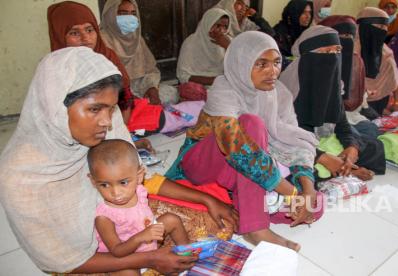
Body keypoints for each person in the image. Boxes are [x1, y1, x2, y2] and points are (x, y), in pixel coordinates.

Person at [0, 47, 238, 274]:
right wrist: (150, 258)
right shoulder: (20, 176)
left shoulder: (105, 129)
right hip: (84, 262)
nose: (107, 121)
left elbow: (143, 180)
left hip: (127, 223)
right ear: (55, 106)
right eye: (95, 109)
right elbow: (60, 260)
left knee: (214, 223)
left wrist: (207, 200)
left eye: (111, 108)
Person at [167, 31, 325, 252]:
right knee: (251, 124)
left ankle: (245, 206)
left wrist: (306, 191)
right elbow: (236, 146)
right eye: (261, 64)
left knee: (315, 204)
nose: (272, 71)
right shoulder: (224, 88)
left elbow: (294, 140)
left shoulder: (280, 93)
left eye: (276, 62)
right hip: (202, 164)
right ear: (241, 63)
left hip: (243, 168)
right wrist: (289, 192)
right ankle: (255, 228)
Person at [48, 1, 203, 139]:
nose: (85, 37)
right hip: (98, 122)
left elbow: (131, 89)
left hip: (127, 105)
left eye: (89, 30)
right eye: (74, 33)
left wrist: (151, 89)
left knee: (168, 96)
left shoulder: (111, 51)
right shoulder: (54, 70)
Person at [280, 25, 385, 180]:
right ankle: (346, 169)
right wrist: (323, 157)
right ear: (308, 54)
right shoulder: (286, 86)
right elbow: (282, 137)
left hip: (322, 140)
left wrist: (352, 148)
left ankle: (343, 167)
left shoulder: (332, 82)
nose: (333, 57)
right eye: (326, 51)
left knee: (375, 147)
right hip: (296, 146)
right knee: (297, 168)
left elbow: (342, 125)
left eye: (337, 51)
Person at [89, 139, 189, 276]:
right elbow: (117, 251)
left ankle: (186, 257)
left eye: (123, 182)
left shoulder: (139, 191)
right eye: (105, 185)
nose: (115, 193)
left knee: (171, 219)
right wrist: (140, 237)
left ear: (139, 176)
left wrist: (148, 234)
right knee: (127, 273)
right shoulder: (104, 217)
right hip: (127, 257)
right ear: (93, 182)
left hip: (149, 241)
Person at [100, 0, 177, 105]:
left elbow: (150, 69)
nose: (130, 18)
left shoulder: (137, 38)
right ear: (111, 14)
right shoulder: (101, 41)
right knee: (118, 106)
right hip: (115, 91)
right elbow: (102, 81)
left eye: (133, 13)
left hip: (139, 87)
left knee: (171, 93)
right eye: (123, 13)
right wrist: (127, 96)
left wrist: (151, 89)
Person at [319, 15, 380, 139]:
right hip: (321, 119)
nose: (348, 41)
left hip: (350, 115)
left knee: (371, 131)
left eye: (351, 36)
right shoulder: (314, 60)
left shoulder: (356, 61)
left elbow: (358, 100)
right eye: (343, 36)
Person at [355, 7, 398, 116]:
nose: (384, 31)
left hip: (381, 102)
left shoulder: (386, 52)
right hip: (354, 105)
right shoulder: (351, 52)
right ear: (364, 26)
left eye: (386, 27)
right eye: (380, 26)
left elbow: (395, 80)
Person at [176, 8, 231, 101]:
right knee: (190, 90)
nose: (221, 30)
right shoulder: (191, 42)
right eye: (217, 25)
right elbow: (183, 75)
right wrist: (214, 81)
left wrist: (228, 46)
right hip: (200, 86)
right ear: (207, 23)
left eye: (225, 27)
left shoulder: (227, 41)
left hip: (222, 84)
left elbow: (239, 69)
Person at [273, 0, 313, 67]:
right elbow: (278, 59)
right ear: (293, 13)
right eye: (303, 12)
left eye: (310, 12)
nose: (308, 16)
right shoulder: (279, 32)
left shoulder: (306, 31)